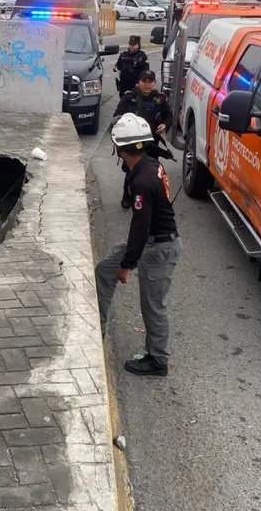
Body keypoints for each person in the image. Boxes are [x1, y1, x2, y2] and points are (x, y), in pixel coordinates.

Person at [95, 114, 182, 377]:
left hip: (158, 247)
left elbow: (140, 226)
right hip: (149, 240)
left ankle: (158, 360)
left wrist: (127, 264)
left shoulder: (141, 181)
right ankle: (97, 326)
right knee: (103, 270)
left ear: (121, 148)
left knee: (154, 305)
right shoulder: (148, 165)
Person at [113, 70, 174, 208]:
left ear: (154, 83)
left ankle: (149, 197)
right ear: (138, 83)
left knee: (152, 171)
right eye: (144, 82)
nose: (147, 85)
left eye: (150, 82)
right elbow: (116, 117)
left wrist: (165, 125)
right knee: (132, 171)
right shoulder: (129, 98)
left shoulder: (160, 99)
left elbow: (169, 117)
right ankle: (127, 195)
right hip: (133, 143)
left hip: (152, 142)